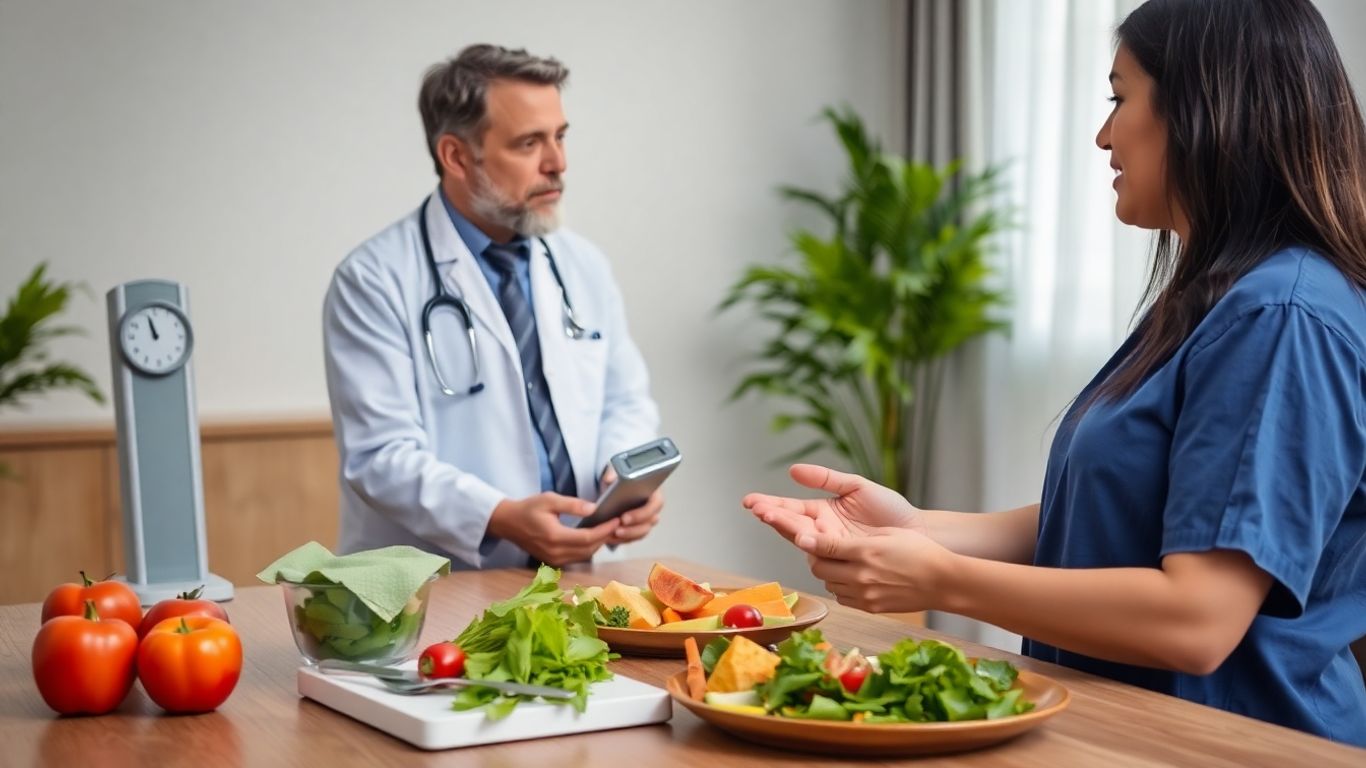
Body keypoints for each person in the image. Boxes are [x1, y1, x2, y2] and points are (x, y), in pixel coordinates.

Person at [743, 0, 1366, 746]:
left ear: (1206, 109)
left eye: (1119, 97)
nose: (1104, 135)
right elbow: (1127, 516)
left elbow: (1199, 619)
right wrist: (919, 528)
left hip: (1229, 745)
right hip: (1123, 734)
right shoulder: (1217, 299)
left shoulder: (1281, 316)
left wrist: (939, 579)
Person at [323, 44, 663, 569]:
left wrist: (624, 480)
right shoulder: (374, 279)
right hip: (436, 588)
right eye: (529, 143)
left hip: (577, 577)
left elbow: (625, 402)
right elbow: (381, 457)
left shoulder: (582, 264)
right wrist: (498, 515)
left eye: (560, 136)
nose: (558, 163)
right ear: (457, 156)